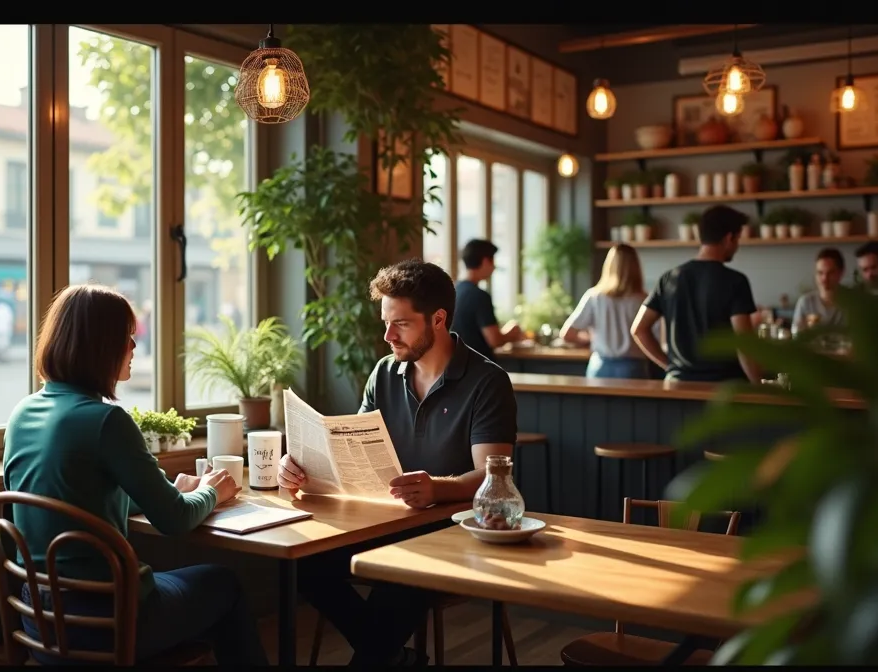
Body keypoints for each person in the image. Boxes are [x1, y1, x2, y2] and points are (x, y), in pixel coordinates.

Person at [2, 283, 266, 666]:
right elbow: (174, 520)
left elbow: (74, 497)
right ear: (102, 347)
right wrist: (211, 492)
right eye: (128, 337)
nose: (134, 347)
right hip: (107, 621)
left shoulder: (21, 414)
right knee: (225, 585)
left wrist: (169, 491)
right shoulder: (107, 421)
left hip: (41, 621)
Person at [277, 259, 518, 666]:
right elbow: (351, 450)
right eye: (386, 322)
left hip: (452, 530)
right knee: (301, 566)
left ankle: (378, 657)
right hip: (386, 521)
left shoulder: (487, 381)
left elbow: (493, 477)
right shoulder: (384, 372)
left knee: (399, 580)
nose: (387, 335)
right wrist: (298, 463)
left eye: (401, 324)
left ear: (438, 319)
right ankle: (393, 657)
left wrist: (437, 488)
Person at [630, 205, 762, 383]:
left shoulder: (669, 278)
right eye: (737, 239)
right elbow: (744, 344)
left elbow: (639, 329)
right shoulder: (735, 281)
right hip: (723, 387)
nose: (736, 246)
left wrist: (671, 367)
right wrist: (759, 386)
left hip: (678, 387)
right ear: (729, 238)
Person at [559, 243, 656, 379]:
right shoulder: (645, 300)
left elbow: (567, 333)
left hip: (600, 367)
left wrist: (588, 340)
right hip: (633, 369)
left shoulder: (594, 296)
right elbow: (655, 338)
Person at [451, 239, 523, 360]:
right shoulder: (480, 296)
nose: (494, 267)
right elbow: (494, 340)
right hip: (480, 368)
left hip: (456, 365)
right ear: (485, 261)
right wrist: (512, 334)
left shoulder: (453, 291)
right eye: (492, 262)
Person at [792, 248, 846, 332]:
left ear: (840, 273)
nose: (824, 279)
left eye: (830, 273)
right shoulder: (805, 302)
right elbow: (796, 336)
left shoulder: (853, 303)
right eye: (820, 273)